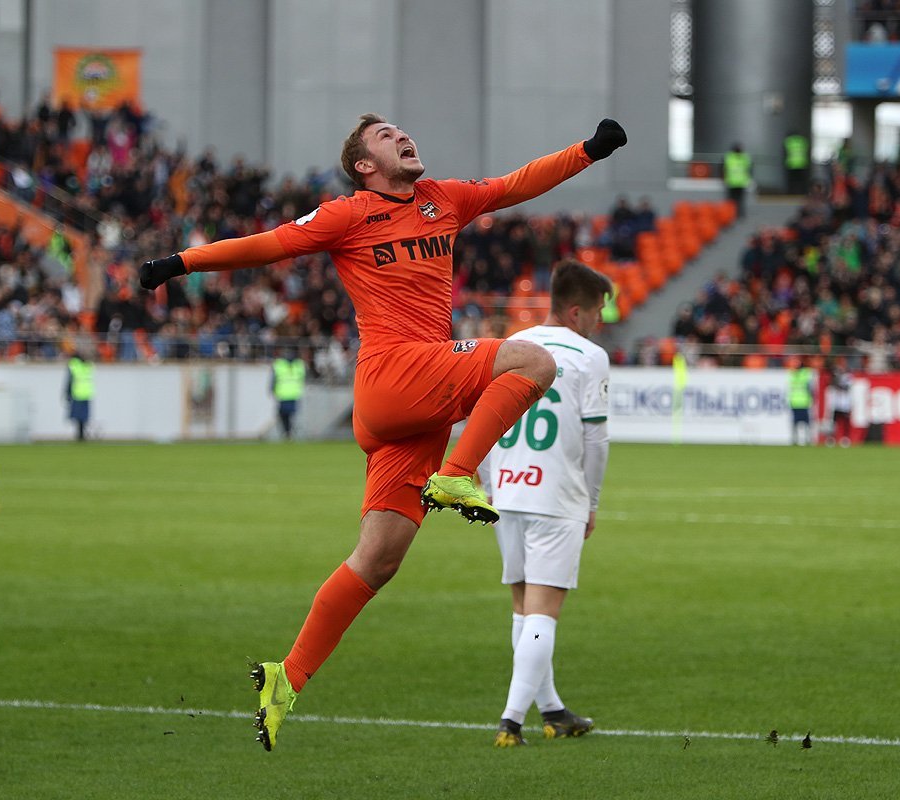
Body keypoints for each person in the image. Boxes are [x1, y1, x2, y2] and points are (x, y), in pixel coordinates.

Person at [138, 113, 627, 751]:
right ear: (364, 166)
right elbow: (269, 244)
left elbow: (515, 185)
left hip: (412, 410)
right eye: (385, 136)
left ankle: (287, 677)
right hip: (394, 373)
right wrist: (180, 263)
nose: (402, 136)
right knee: (535, 361)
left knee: (377, 561)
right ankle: (456, 475)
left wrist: (588, 151)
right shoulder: (347, 214)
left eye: (401, 130)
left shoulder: (443, 199)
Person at [476, 259, 612, 747]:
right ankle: (511, 721)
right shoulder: (590, 356)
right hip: (556, 496)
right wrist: (591, 502)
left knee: (523, 607)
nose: (599, 320)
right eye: (596, 311)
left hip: (507, 490)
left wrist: (488, 482)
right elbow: (596, 441)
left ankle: (552, 711)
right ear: (576, 312)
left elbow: (482, 417)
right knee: (542, 612)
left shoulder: (514, 346)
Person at [271, 347, 306, 440]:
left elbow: (274, 378)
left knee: (285, 414)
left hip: (284, 393)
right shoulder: (299, 364)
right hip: (292, 393)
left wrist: (271, 389)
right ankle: (289, 432)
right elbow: (303, 378)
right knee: (289, 414)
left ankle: (288, 432)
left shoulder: (279, 364)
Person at [66, 350, 94, 441]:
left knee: (78, 416)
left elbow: (69, 380)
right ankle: (82, 434)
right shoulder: (88, 365)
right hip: (86, 394)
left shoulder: (73, 365)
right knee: (83, 416)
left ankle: (80, 434)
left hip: (77, 394)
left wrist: (67, 393)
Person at [825, 361, 853, 447]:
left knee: (845, 422)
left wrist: (838, 380)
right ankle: (831, 438)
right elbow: (830, 384)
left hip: (845, 403)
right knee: (834, 422)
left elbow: (846, 387)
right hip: (836, 403)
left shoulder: (848, 376)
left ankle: (845, 438)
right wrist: (834, 378)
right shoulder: (835, 375)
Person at [788, 357, 815, 446]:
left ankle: (807, 439)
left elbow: (810, 387)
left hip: (803, 402)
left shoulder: (805, 374)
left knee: (805, 423)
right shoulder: (794, 374)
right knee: (797, 423)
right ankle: (796, 439)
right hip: (796, 402)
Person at [723, 142, 751, 219]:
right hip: (733, 182)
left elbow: (749, 169)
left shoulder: (730, 157)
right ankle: (733, 214)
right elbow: (724, 169)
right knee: (734, 201)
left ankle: (738, 214)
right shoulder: (731, 157)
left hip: (739, 182)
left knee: (738, 201)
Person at [783, 130, 809, 196]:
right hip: (802, 164)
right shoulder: (803, 141)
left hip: (791, 164)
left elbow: (785, 153)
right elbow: (807, 152)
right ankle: (803, 193)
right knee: (802, 180)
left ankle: (791, 193)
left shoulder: (788, 141)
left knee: (791, 181)